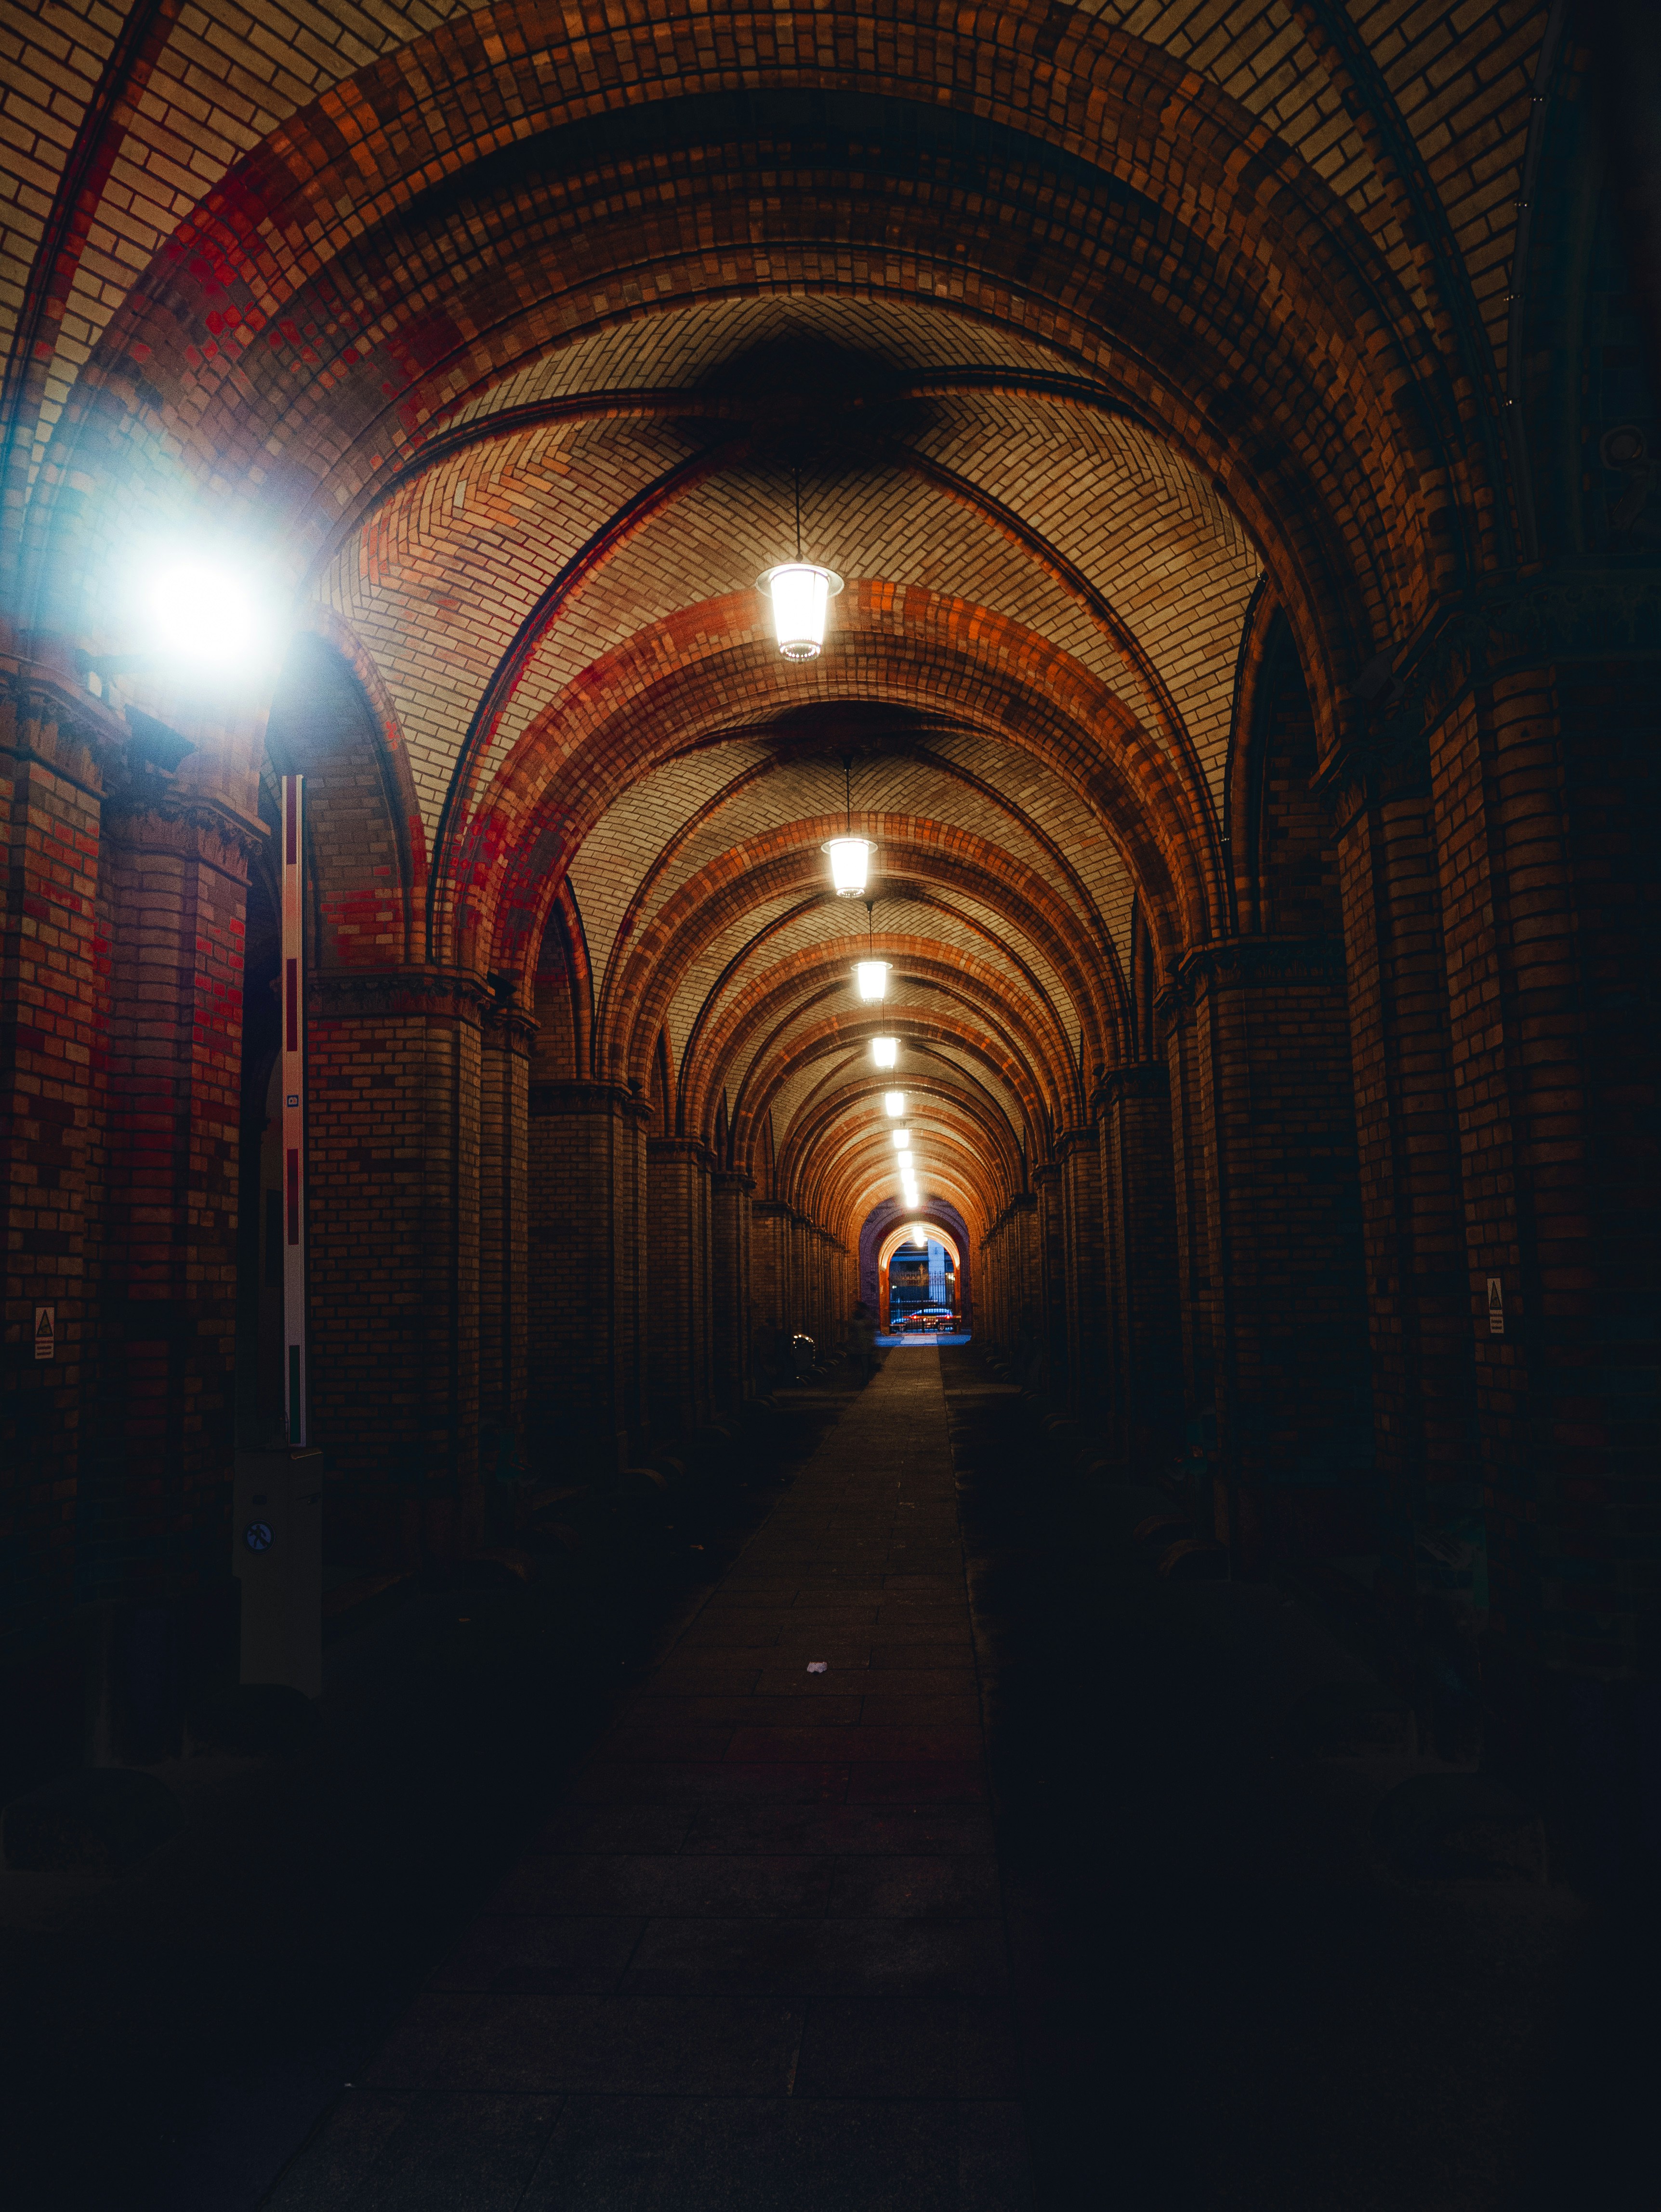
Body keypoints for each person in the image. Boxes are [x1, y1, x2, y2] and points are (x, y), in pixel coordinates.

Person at [848, 1299, 879, 1382]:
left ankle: (865, 1379)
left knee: (865, 1363)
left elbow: (870, 1333)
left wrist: (872, 1343)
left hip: (865, 1345)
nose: (854, 1309)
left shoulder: (866, 1320)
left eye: (856, 1308)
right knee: (857, 1364)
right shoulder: (853, 1320)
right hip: (856, 1345)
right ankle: (860, 1378)